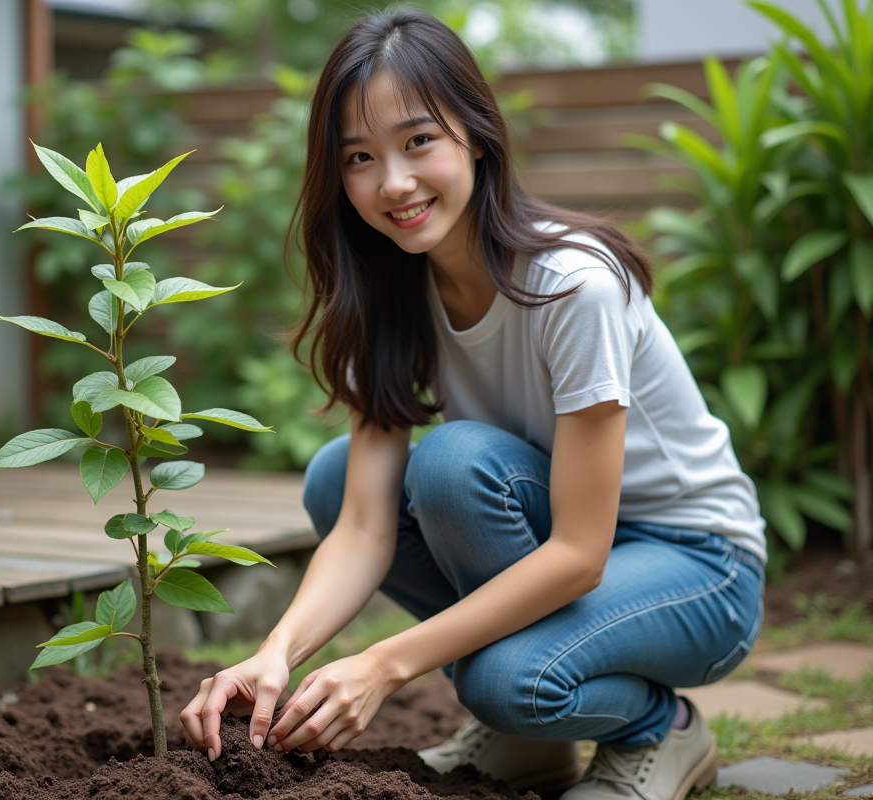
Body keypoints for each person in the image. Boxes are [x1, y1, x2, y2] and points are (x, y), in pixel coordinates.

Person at [179, 9, 765, 800]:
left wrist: (385, 664)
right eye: (360, 156)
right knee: (339, 475)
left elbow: (581, 553)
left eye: (419, 140)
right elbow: (359, 523)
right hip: (573, 536)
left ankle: (655, 729)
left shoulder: (574, 285)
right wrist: (277, 652)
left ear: (477, 137)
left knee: (477, 561)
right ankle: (532, 739)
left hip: (699, 564)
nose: (394, 182)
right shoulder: (392, 294)